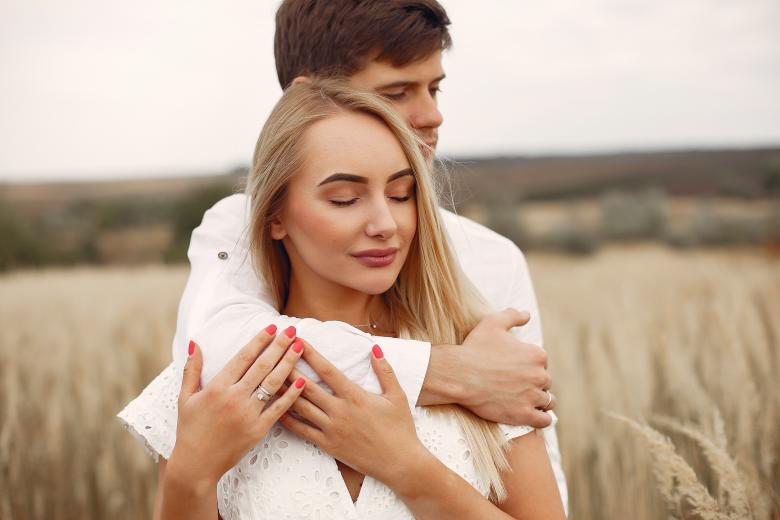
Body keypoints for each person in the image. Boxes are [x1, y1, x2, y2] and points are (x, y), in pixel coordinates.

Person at [117, 0, 567, 515]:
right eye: (344, 199)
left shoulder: (490, 343)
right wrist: (189, 477)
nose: (431, 115)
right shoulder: (217, 343)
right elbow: (224, 345)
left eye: (401, 195)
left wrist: (407, 465)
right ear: (274, 214)